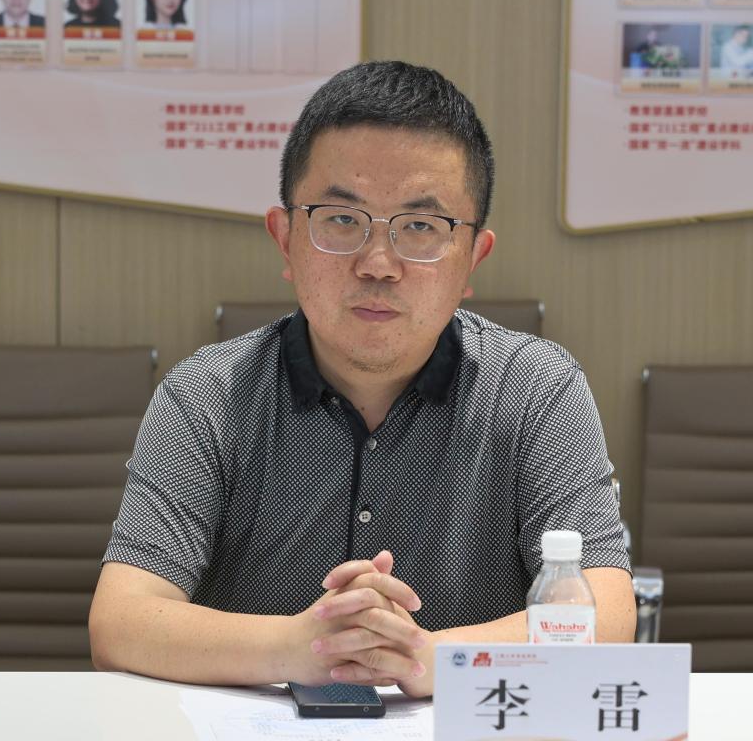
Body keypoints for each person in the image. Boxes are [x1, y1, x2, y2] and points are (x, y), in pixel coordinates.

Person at [88, 61, 636, 697]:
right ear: (286, 239)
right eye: (342, 220)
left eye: (421, 227)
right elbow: (121, 621)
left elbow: (605, 615)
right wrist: (302, 647)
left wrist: (426, 658)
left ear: (472, 260)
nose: (378, 264)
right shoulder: (206, 396)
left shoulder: (537, 389)